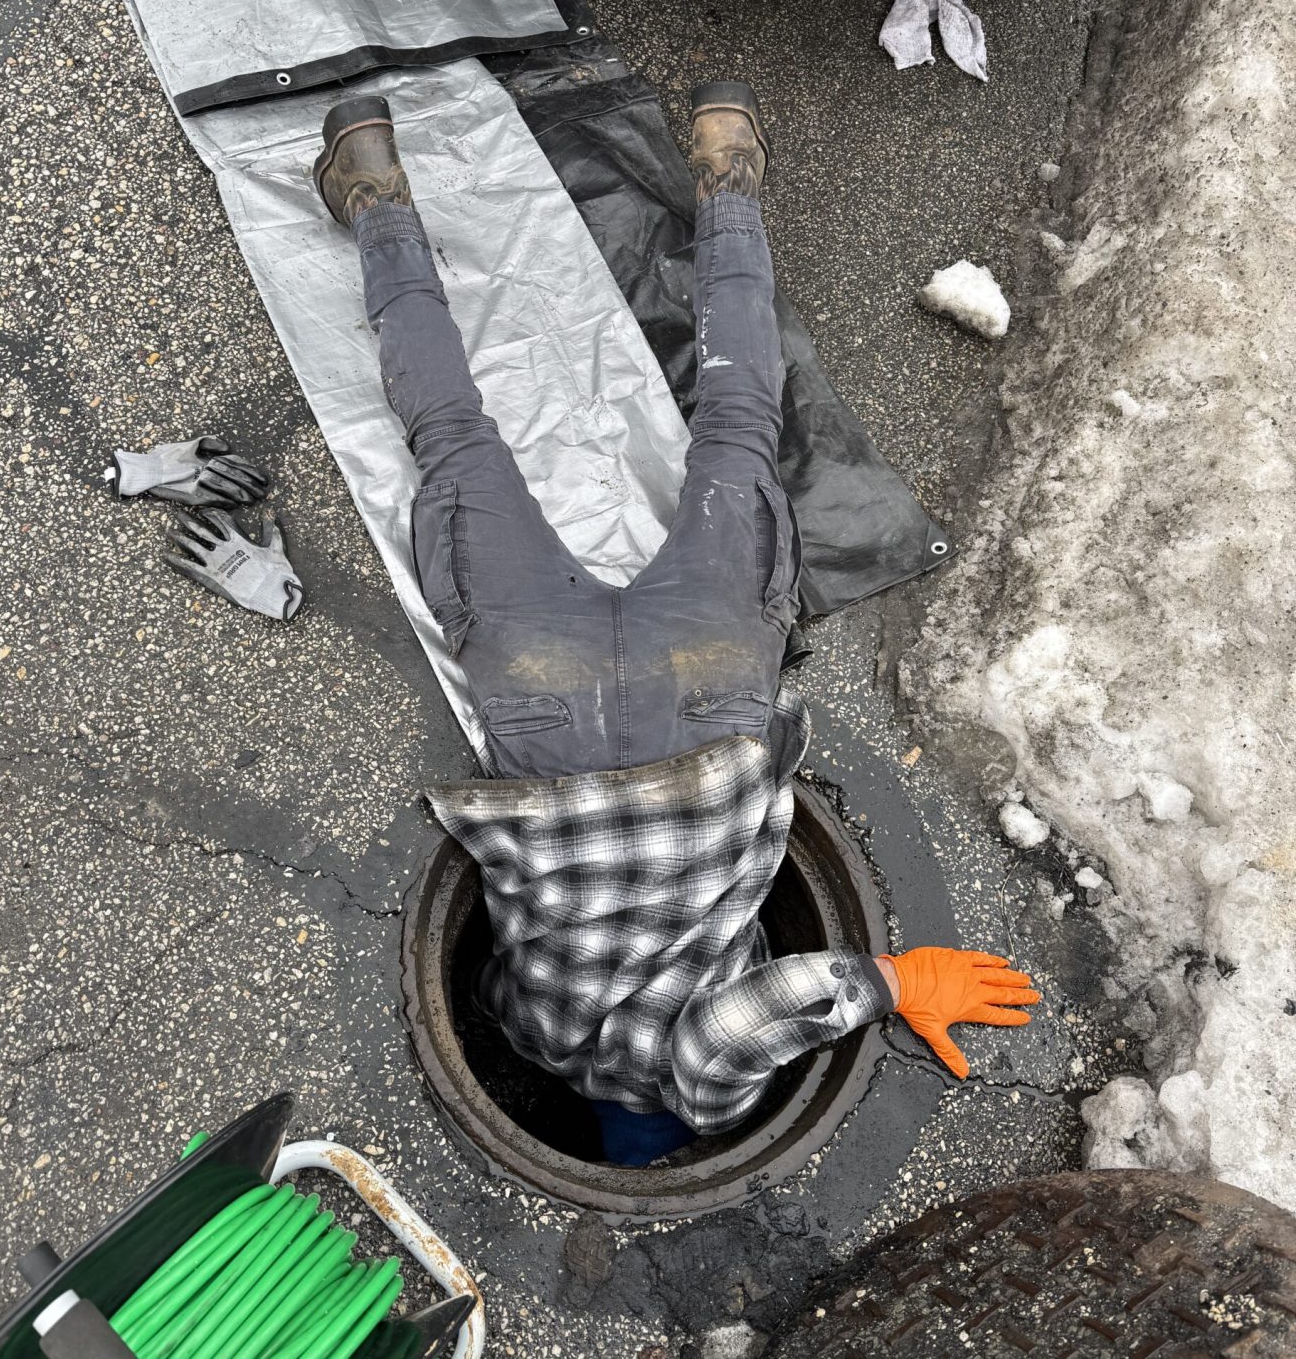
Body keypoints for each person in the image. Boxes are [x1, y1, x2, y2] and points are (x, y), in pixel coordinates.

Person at [312, 83, 1040, 1166]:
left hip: (705, 704)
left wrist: (893, 981)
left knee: (737, 428)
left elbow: (737, 1027)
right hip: (545, 722)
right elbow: (504, 968)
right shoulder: (524, 1022)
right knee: (454, 438)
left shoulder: (685, 1090)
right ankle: (372, 190)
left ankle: (727, 172)